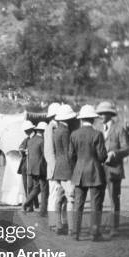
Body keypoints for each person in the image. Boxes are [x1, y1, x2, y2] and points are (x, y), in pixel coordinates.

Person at [69, 105, 107, 241]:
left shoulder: (74, 134)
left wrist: (77, 167)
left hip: (79, 172)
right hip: (95, 172)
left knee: (78, 204)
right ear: (93, 119)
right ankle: (94, 234)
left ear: (82, 119)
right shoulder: (97, 134)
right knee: (96, 204)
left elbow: (71, 156)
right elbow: (102, 156)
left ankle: (75, 233)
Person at [96, 101, 129, 237]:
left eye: (104, 113)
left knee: (114, 199)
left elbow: (126, 149)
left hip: (114, 170)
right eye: (100, 114)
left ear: (110, 114)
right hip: (99, 170)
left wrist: (115, 153)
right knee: (98, 199)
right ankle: (97, 226)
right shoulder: (98, 129)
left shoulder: (119, 129)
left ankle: (114, 228)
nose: (101, 116)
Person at [52, 104, 76, 235]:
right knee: (70, 198)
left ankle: (59, 224)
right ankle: (71, 228)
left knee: (59, 198)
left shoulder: (56, 131)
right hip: (67, 169)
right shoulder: (66, 131)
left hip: (58, 168)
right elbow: (70, 152)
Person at [22, 122, 48, 216]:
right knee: (44, 189)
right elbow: (45, 156)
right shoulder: (42, 141)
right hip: (40, 169)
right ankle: (43, 211)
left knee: (36, 188)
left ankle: (27, 202)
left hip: (31, 168)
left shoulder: (30, 140)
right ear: (44, 131)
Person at [44, 103, 61, 231]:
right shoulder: (51, 128)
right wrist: (56, 169)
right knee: (54, 195)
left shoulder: (53, 127)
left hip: (54, 168)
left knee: (54, 195)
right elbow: (49, 152)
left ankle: (54, 221)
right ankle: (53, 222)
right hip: (54, 169)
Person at [17, 121, 36, 210]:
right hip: (25, 165)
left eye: (27, 130)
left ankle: (31, 204)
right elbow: (20, 147)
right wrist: (22, 150)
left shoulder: (36, 138)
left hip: (33, 165)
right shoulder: (26, 139)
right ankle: (30, 204)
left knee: (32, 186)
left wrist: (30, 151)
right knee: (26, 185)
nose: (25, 132)